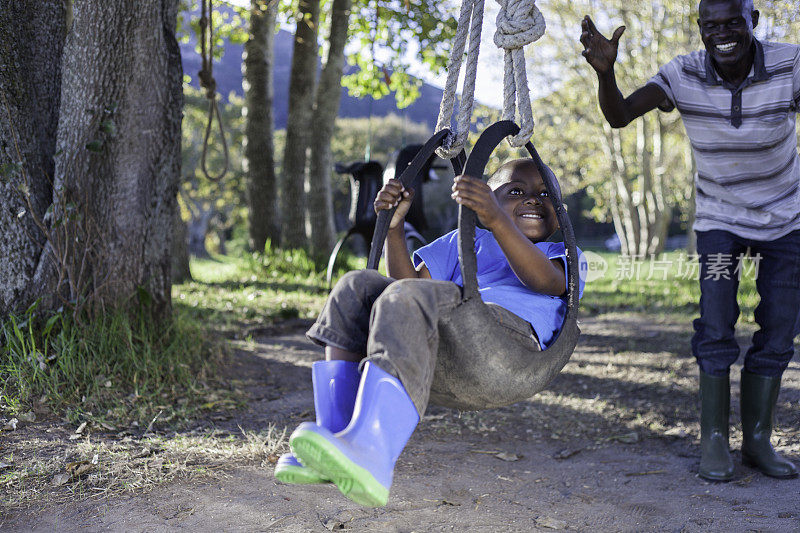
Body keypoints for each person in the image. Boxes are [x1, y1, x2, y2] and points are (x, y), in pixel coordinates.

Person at [274, 158, 585, 506]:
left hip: (507, 346)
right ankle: (336, 438)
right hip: (446, 344)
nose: (532, 199)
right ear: (485, 200)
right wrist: (394, 228)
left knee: (407, 295)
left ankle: (373, 451)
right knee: (356, 287)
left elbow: (547, 281)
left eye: (546, 194)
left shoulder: (564, 254)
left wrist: (498, 221)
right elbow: (405, 289)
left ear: (560, 211)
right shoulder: (461, 241)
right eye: (516, 191)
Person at [580, 0, 799, 481]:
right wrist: (605, 73)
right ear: (700, 29)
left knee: (781, 325)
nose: (722, 33)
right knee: (717, 321)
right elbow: (619, 116)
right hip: (719, 216)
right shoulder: (682, 74)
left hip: (786, 218)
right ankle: (715, 442)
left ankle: (758, 442)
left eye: (733, 22)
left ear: (753, 21)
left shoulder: (790, 63)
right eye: (711, 25)